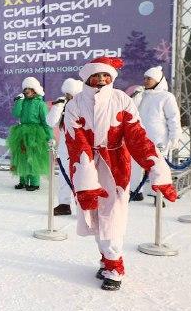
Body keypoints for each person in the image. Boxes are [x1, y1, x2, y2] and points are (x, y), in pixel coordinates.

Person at [63, 57, 177, 291]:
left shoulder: (122, 99)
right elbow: (77, 142)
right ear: (87, 77)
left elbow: (136, 136)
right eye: (97, 76)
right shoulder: (75, 105)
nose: (102, 80)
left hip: (116, 166)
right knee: (94, 216)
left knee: (113, 215)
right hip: (88, 166)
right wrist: (85, 178)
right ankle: (106, 258)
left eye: (106, 76)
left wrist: (156, 167)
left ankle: (115, 266)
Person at [129, 65, 181, 201]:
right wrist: (136, 97)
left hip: (158, 140)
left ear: (157, 80)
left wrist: (175, 137)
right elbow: (131, 112)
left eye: (149, 79)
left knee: (157, 168)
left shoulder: (167, 97)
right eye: (145, 78)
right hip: (140, 138)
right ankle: (135, 191)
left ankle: (158, 195)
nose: (145, 81)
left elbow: (173, 118)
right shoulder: (142, 95)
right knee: (135, 166)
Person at [45, 78, 84, 216]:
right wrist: (58, 107)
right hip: (64, 146)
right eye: (66, 94)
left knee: (81, 177)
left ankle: (83, 207)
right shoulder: (62, 104)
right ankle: (64, 204)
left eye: (70, 94)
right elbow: (50, 122)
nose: (67, 96)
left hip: (81, 147)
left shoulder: (84, 104)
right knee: (63, 176)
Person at [8, 77, 52, 191]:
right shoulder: (22, 101)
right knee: (21, 156)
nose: (27, 91)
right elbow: (16, 114)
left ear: (34, 90)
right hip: (21, 131)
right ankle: (22, 181)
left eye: (29, 88)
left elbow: (45, 121)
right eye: (25, 88)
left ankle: (34, 183)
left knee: (32, 157)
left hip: (35, 133)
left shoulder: (40, 104)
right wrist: (19, 101)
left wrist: (49, 136)